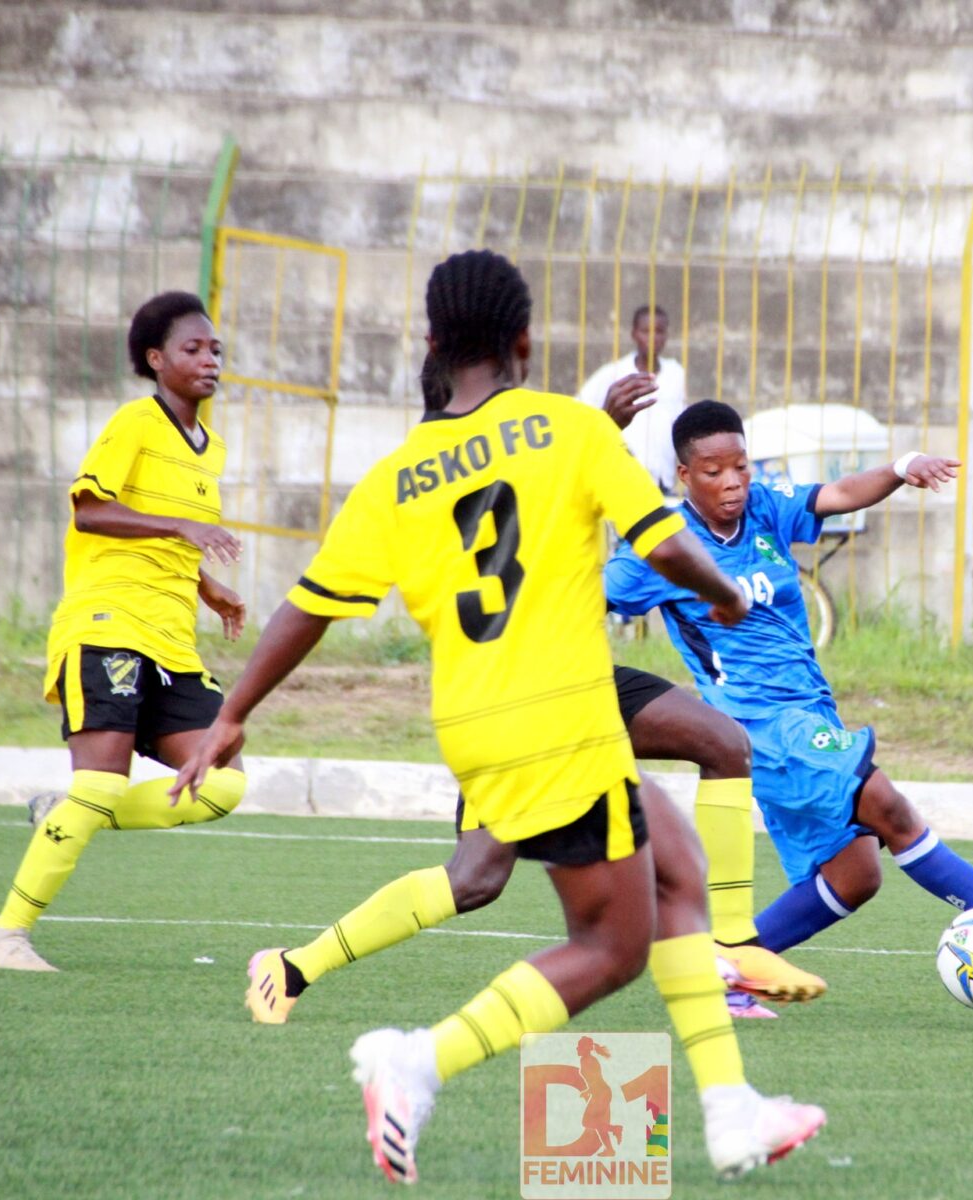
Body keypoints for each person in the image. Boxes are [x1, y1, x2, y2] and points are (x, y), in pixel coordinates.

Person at [174, 251, 824, 1184]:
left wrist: (233, 712)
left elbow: (306, 606)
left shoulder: (398, 475)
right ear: (524, 342)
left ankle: (730, 1111)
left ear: (435, 343)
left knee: (675, 864)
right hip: (564, 712)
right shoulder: (567, 427)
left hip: (478, 728)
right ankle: (417, 1060)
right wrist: (726, 594)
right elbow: (668, 545)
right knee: (612, 946)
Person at [238, 370, 822, 1030]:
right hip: (510, 703)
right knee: (475, 879)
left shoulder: (530, 441)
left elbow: (569, 474)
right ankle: (293, 966)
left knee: (722, 742)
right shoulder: (429, 477)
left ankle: (733, 945)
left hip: (584, 684)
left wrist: (603, 423)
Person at [604, 400, 973, 968]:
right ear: (685, 476)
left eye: (740, 466)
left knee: (855, 873)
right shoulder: (661, 544)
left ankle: (730, 969)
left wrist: (900, 467)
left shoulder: (764, 508)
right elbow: (591, 598)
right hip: (759, 725)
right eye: (714, 473)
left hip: (810, 713)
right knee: (888, 804)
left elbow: (836, 495)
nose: (733, 482)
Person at [0, 291, 249, 972]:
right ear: (156, 360)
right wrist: (183, 526)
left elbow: (162, 541)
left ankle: (68, 814)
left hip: (170, 640)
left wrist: (207, 586)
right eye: (193, 348)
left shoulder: (208, 448)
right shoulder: (135, 423)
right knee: (100, 780)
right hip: (107, 625)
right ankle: (5, 935)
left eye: (215, 349)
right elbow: (91, 510)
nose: (209, 359)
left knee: (221, 783)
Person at [576, 305, 685, 490]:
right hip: (623, 477)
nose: (653, 338)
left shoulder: (676, 373)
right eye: (646, 331)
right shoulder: (614, 372)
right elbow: (579, 407)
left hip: (662, 479)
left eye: (659, 332)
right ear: (634, 334)